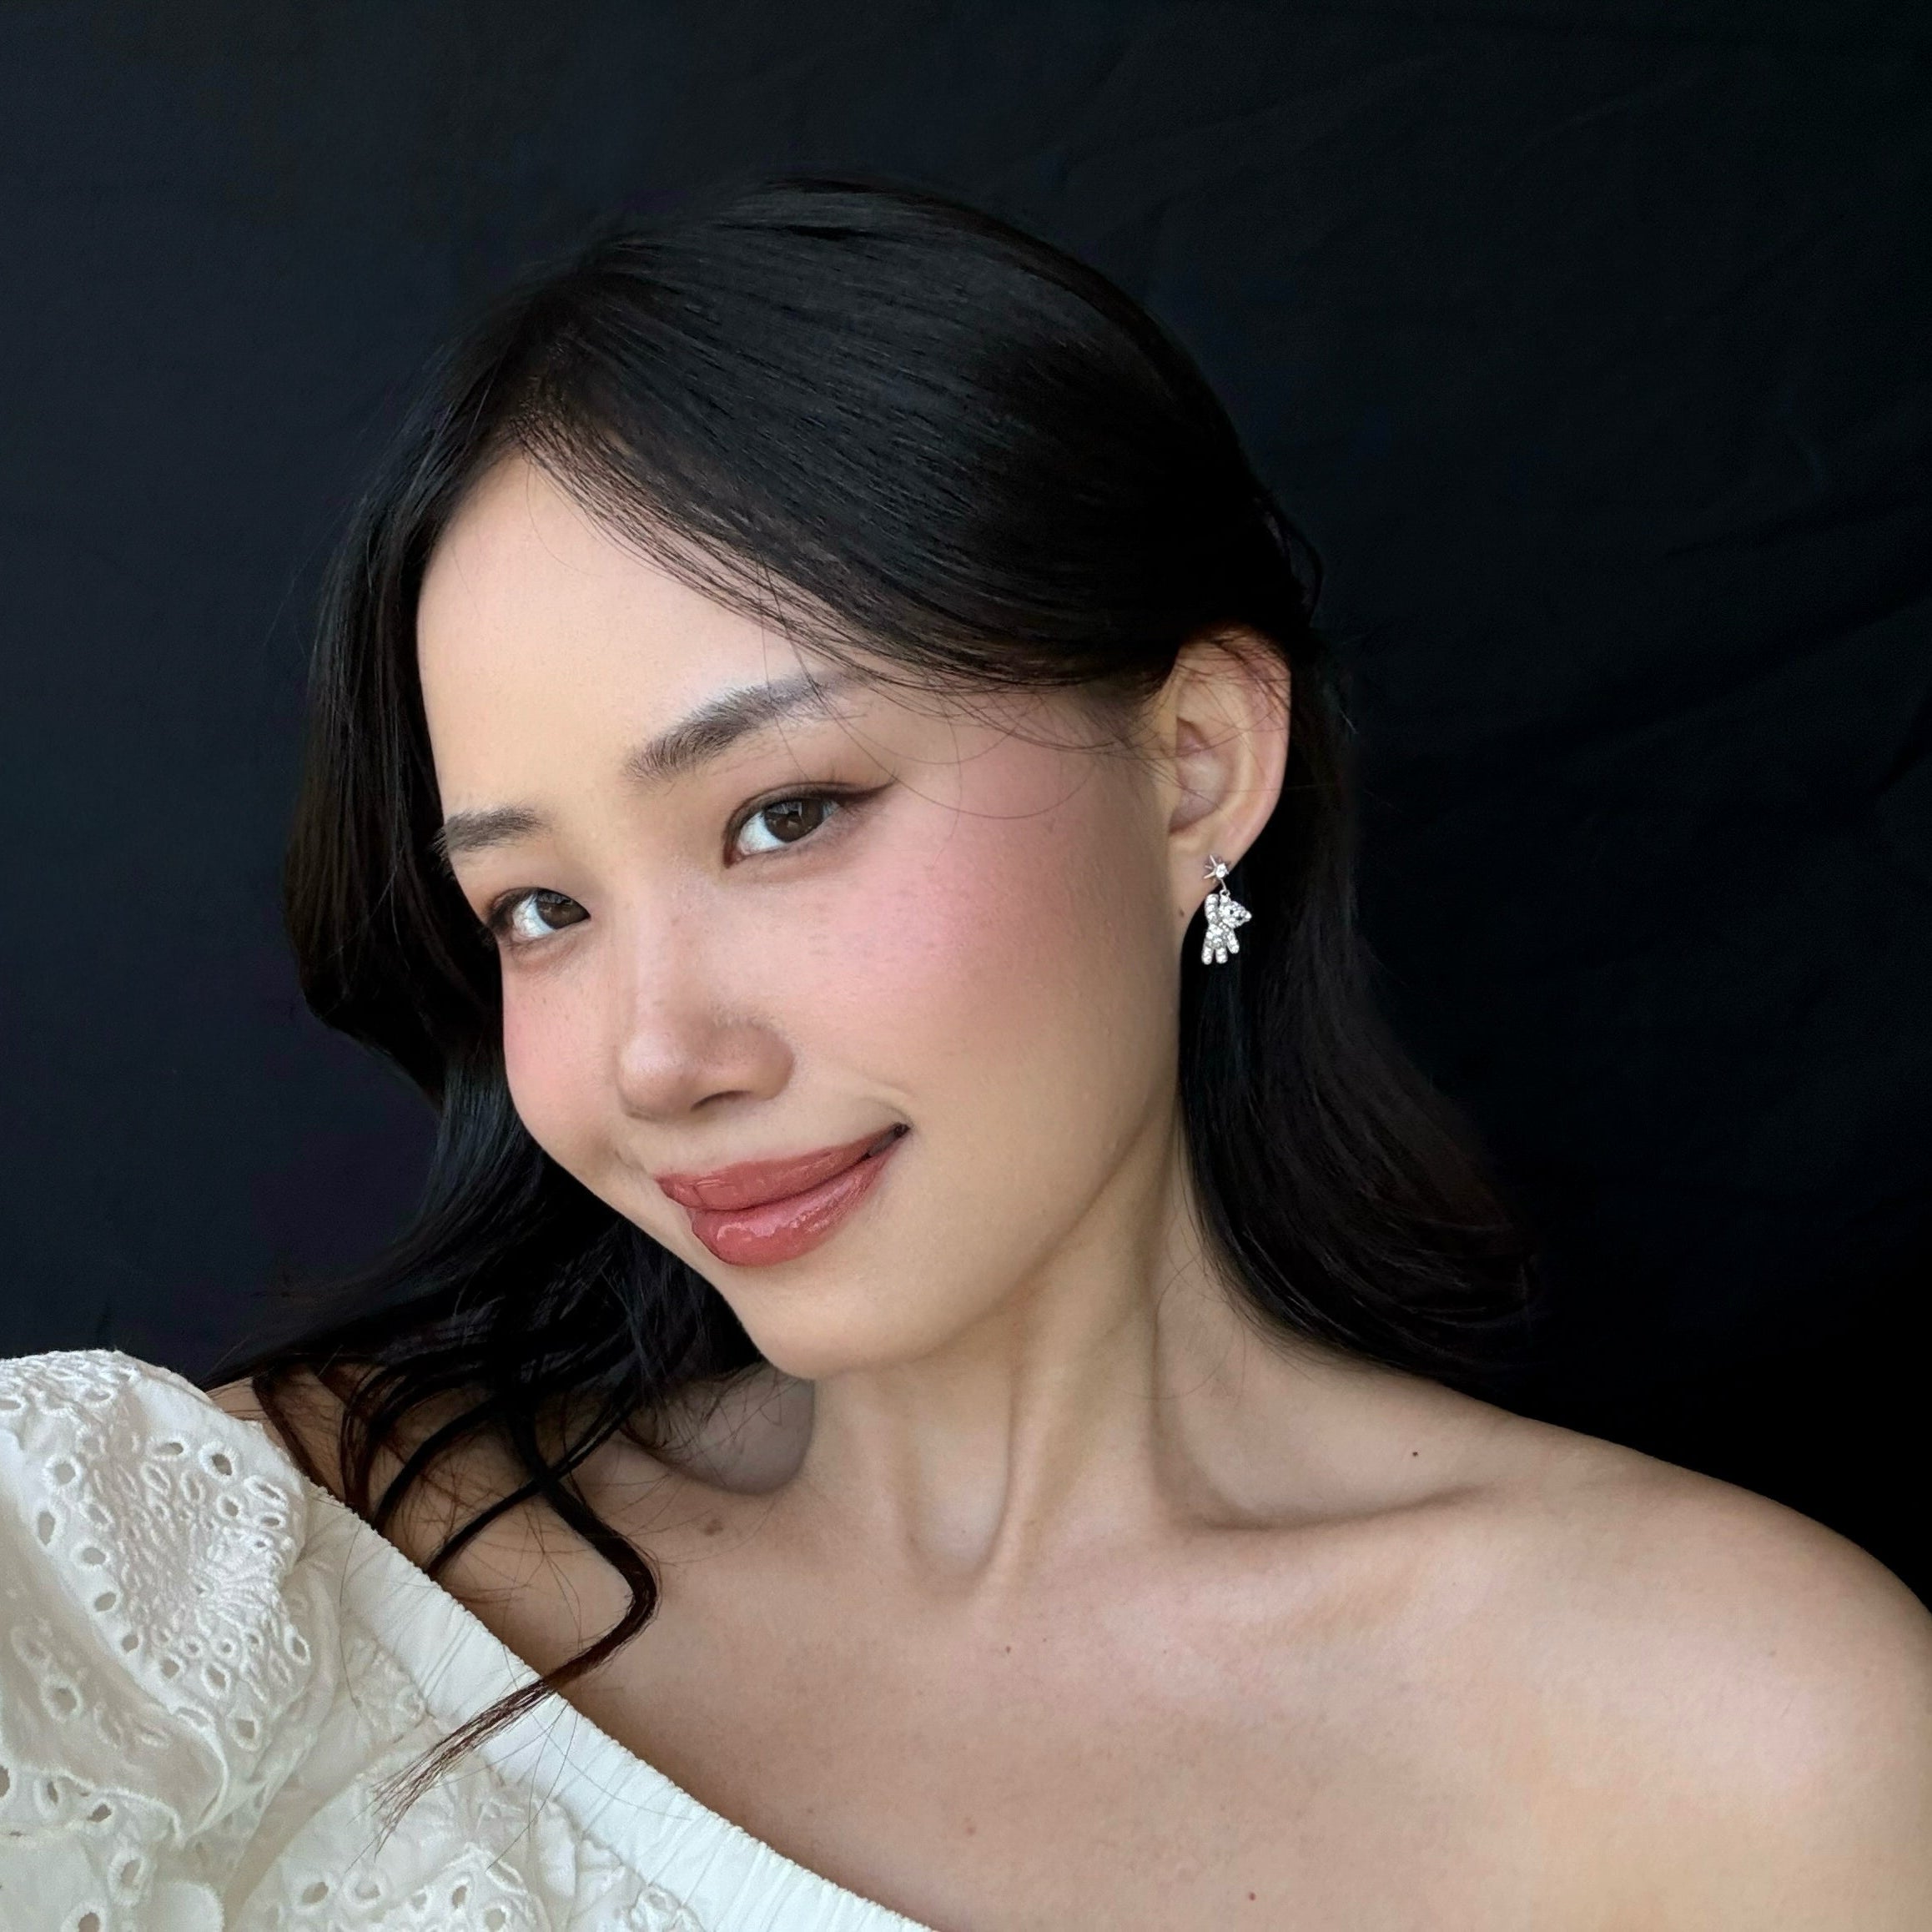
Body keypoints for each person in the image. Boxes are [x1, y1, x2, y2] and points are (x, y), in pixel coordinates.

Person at [3, 179, 1927, 1932]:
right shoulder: (197, 1572)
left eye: (785, 815)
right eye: (539, 910)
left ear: (1193, 768)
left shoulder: (1747, 1741)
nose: (658, 1057)